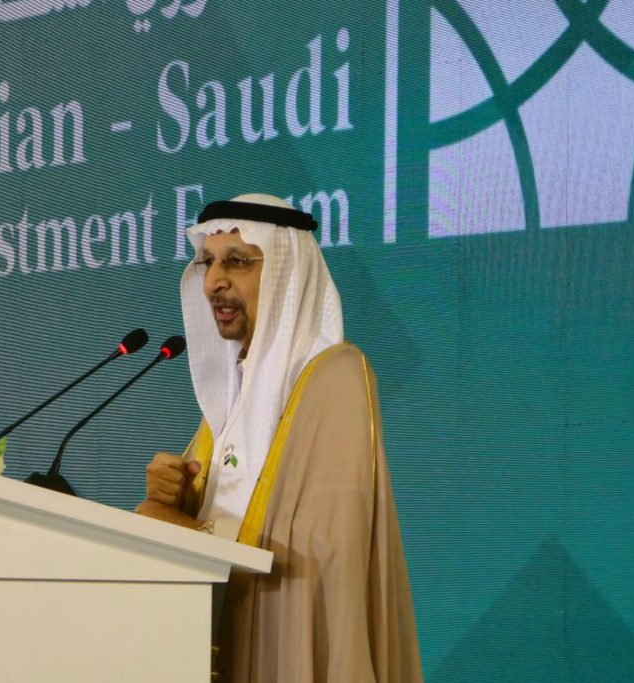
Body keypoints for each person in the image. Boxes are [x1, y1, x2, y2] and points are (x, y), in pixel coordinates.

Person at [135, 194, 422, 683]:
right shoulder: (231, 396)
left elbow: (324, 548)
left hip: (288, 639)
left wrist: (194, 532)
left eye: (236, 262)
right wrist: (174, 501)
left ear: (288, 274)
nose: (213, 282)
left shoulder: (335, 376)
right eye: (207, 262)